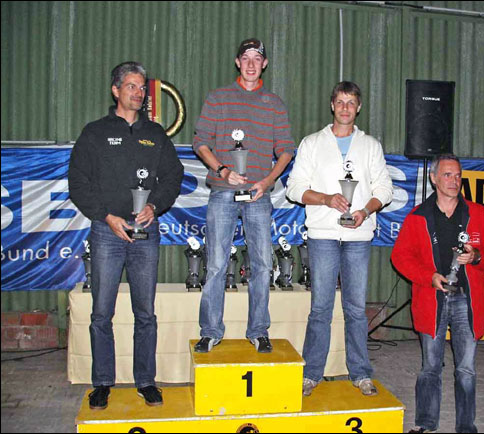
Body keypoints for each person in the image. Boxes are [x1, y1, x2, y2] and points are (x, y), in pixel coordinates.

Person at [68, 61, 184, 410]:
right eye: (131, 86)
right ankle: (102, 382)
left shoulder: (156, 133)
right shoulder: (95, 133)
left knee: (145, 312)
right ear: (116, 90)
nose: (139, 92)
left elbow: (174, 176)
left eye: (142, 87)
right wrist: (106, 216)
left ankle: (146, 381)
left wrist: (155, 207)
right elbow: (78, 182)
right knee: (101, 313)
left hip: (146, 232)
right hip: (107, 232)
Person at [286, 81, 393, 396]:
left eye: (351, 102)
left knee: (356, 308)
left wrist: (365, 210)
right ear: (332, 105)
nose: (345, 108)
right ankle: (311, 374)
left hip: (358, 236)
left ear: (359, 108)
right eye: (341, 102)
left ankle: (360, 373)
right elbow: (294, 188)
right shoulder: (312, 143)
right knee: (320, 307)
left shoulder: (370, 145)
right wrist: (325, 199)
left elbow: (384, 189)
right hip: (322, 235)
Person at [192, 38, 295, 353]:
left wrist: (267, 181)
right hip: (223, 191)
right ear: (238, 62)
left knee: (262, 264)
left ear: (264, 64)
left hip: (258, 194)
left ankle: (259, 330)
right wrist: (223, 170)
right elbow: (200, 142)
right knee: (215, 263)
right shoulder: (218, 98)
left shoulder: (274, 104)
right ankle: (210, 331)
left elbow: (286, 150)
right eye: (246, 58)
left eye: (257, 58)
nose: (251, 64)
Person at [391, 154, 484, 433]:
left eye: (458, 175)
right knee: (430, 366)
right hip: (432, 299)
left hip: (468, 301)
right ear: (434, 178)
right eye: (447, 175)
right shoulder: (417, 217)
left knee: (466, 369)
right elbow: (401, 257)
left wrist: (476, 257)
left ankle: (466, 426)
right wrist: (428, 277)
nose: (454, 181)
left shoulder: (480, 215)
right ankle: (426, 423)